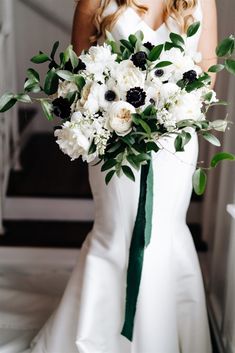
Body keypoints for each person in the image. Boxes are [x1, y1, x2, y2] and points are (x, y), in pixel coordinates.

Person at [28, 0, 217, 352]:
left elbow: (207, 74)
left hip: (173, 142)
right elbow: (74, 80)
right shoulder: (95, 1)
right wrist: (111, 111)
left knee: (163, 232)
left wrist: (169, 109)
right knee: (117, 231)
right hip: (115, 140)